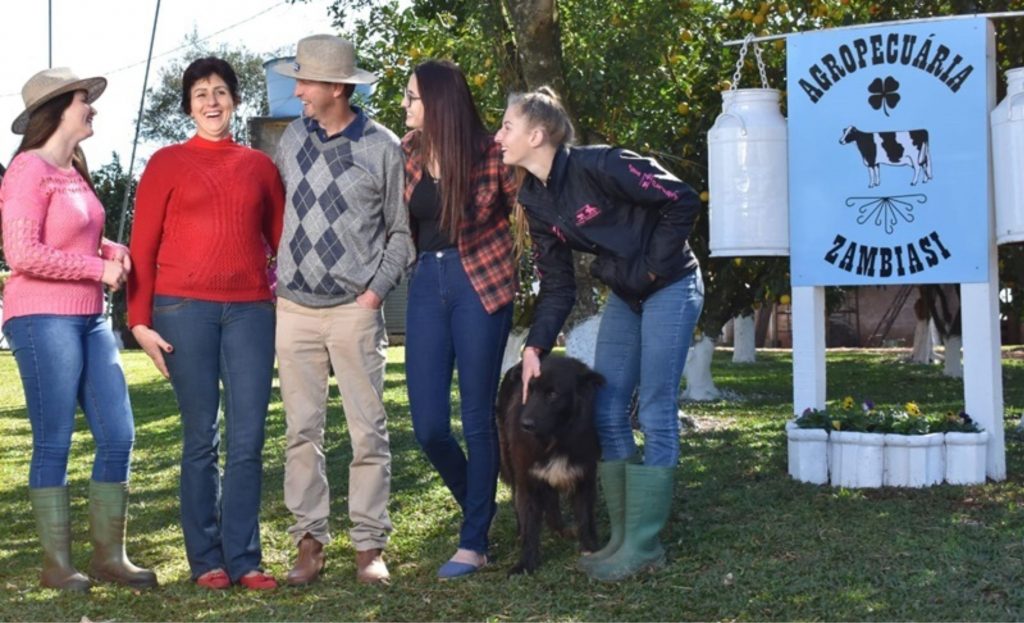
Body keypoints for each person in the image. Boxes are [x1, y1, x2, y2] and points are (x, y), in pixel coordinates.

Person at [495, 87, 704, 582]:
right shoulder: (535, 198)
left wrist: (652, 271)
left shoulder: (603, 165)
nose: (497, 136)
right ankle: (622, 537)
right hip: (625, 296)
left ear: (537, 134)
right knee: (608, 410)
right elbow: (559, 284)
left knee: (653, 407)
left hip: (671, 284)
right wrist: (535, 347)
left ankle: (645, 544)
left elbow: (682, 199)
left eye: (506, 126)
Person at [126, 57, 284, 591]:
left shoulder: (260, 167)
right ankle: (207, 561)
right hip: (181, 311)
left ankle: (245, 559)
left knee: (248, 438)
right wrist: (138, 321)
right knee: (201, 438)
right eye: (200, 94)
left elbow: (282, 244)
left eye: (220, 91)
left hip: (251, 312)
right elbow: (142, 248)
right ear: (188, 106)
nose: (211, 101)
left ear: (235, 100)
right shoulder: (166, 163)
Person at [0, 67, 157, 592]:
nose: (91, 105)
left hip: (90, 318)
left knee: (119, 434)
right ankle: (56, 566)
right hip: (41, 317)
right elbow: (20, 253)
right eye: (83, 99)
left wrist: (109, 251)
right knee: (54, 442)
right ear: (59, 107)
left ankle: (111, 557)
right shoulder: (27, 170)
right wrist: (96, 269)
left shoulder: (75, 169)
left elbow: (77, 240)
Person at [272, 34, 413, 586]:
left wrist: (374, 293)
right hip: (295, 311)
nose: (298, 90)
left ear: (336, 88)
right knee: (300, 432)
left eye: (305, 81)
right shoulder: (290, 140)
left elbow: (400, 234)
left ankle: (368, 547)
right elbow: (282, 214)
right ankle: (309, 544)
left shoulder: (382, 146)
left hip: (355, 310)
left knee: (367, 432)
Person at [399, 60, 517, 579]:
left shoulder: (494, 154)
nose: (405, 107)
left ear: (439, 103)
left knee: (476, 418)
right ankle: (483, 509)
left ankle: (474, 542)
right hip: (427, 283)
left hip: (481, 284)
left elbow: (529, 208)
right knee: (427, 426)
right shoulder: (410, 153)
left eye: (412, 98)